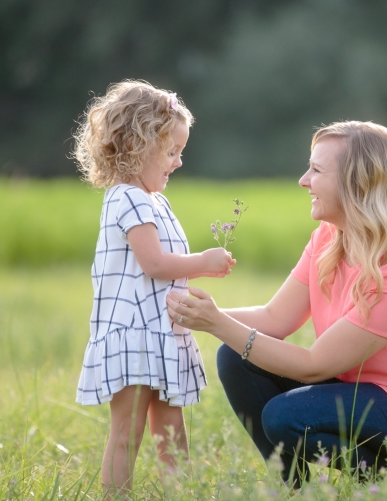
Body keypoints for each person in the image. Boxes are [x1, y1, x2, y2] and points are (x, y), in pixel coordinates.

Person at [166, 121, 387, 486]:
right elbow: (274, 317)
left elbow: (312, 366)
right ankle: (296, 489)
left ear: (357, 183)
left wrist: (216, 323)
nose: (303, 180)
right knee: (235, 356)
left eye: (317, 170)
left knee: (284, 415)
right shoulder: (329, 237)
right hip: (355, 389)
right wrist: (187, 315)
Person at [72, 80, 235, 496]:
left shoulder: (154, 200)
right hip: (135, 335)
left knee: (172, 433)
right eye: (171, 151)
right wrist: (203, 263)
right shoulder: (127, 198)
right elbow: (155, 264)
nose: (178, 162)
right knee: (128, 431)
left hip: (162, 334)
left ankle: (177, 493)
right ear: (136, 145)